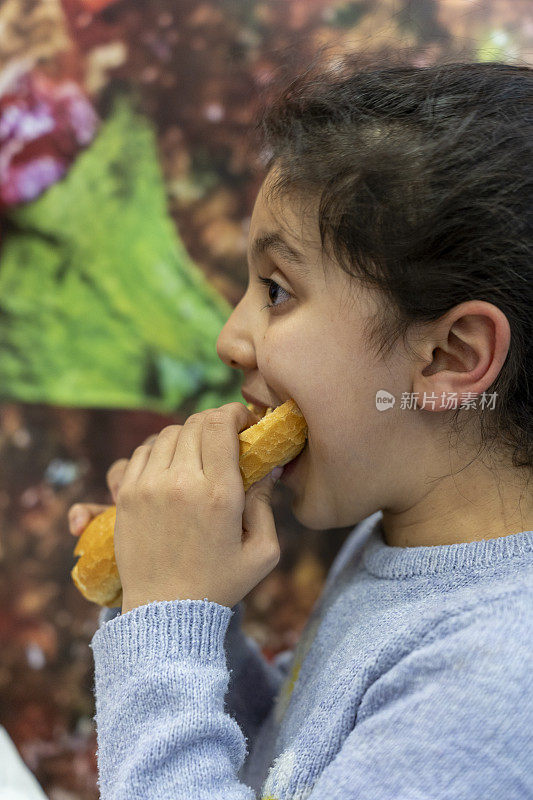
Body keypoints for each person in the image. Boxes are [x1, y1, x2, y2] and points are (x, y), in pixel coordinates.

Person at [68, 51, 533, 799]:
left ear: (449, 355)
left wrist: (164, 620)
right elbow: (286, 764)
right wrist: (173, 598)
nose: (230, 337)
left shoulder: (501, 678)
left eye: (277, 291)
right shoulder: (396, 540)